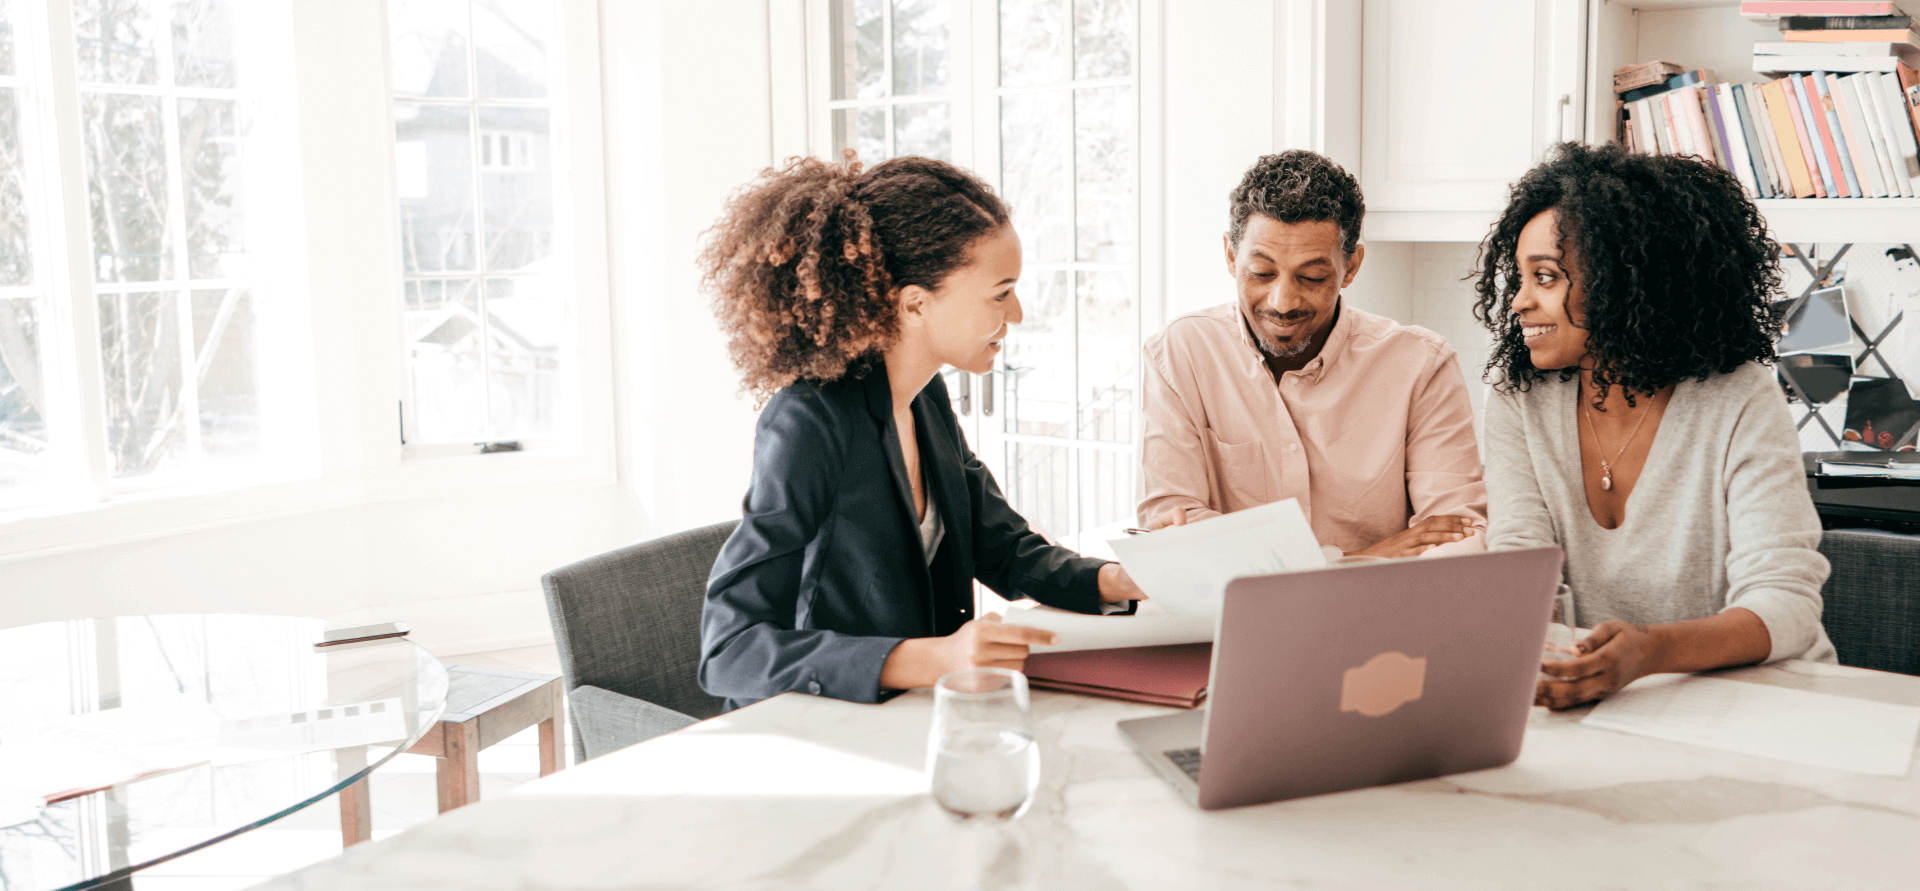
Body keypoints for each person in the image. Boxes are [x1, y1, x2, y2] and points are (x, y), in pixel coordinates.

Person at [697, 154, 1146, 711]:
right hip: (821, 727)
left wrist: (1121, 580)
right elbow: (729, 651)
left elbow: (1003, 549)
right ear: (915, 303)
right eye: (1001, 293)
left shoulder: (925, 396)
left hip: (912, 716)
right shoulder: (810, 422)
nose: (1020, 314)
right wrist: (934, 659)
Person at [1474, 143, 1836, 710]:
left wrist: (1650, 652)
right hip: (1604, 700)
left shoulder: (1738, 397)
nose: (1518, 301)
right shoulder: (1519, 400)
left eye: (1545, 277)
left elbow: (1785, 603)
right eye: (1519, 278)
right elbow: (1521, 571)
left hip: (1759, 702)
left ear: (1624, 281)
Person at [1139, 150, 1488, 558]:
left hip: (1380, 617)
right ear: (1232, 257)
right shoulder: (1180, 354)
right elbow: (1170, 527)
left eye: (1312, 277)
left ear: (1351, 266)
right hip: (1234, 619)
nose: (1283, 301)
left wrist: (1247, 552)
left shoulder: (1422, 366)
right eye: (1262, 273)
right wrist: (1358, 560)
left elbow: (1456, 538)